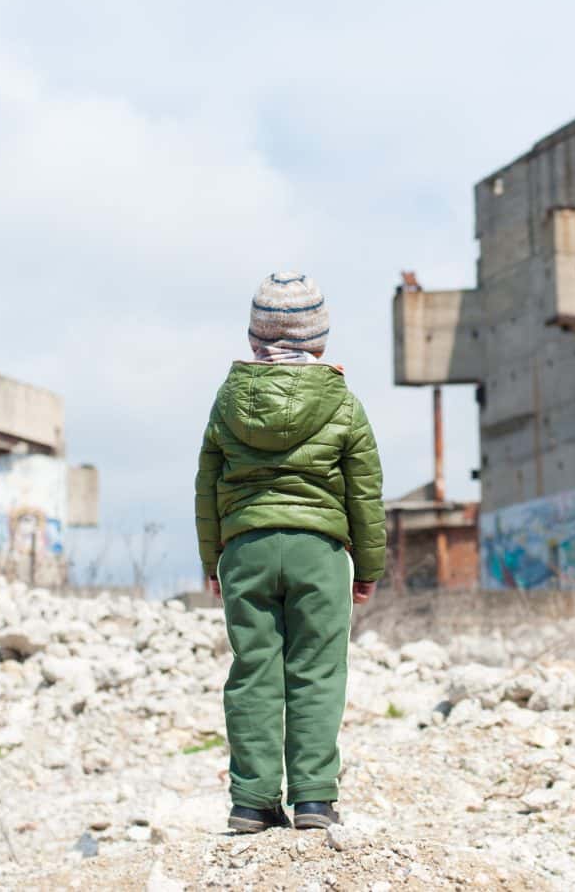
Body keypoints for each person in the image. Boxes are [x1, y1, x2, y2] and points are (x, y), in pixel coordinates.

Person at [194, 271, 386, 833]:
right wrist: (368, 568)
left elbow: (207, 486)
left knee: (254, 670)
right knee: (317, 671)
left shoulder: (227, 400)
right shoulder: (343, 404)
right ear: (319, 341)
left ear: (255, 340)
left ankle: (251, 803)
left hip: (246, 548)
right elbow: (364, 493)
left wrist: (213, 560)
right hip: (318, 551)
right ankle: (314, 801)